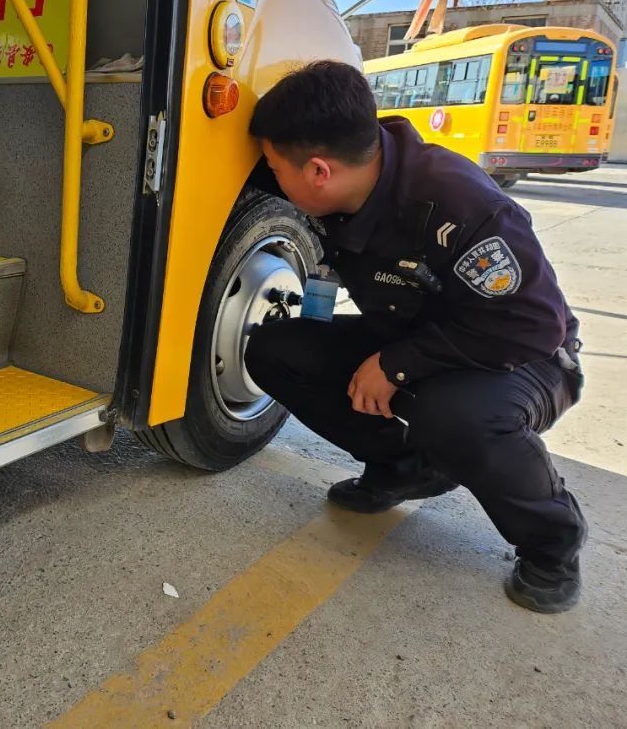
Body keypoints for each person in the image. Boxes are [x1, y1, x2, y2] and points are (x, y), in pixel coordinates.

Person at [244, 60, 587, 614]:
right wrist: (340, 334)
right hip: (412, 339)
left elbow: (532, 325)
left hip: (524, 359)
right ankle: (407, 470)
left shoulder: (460, 205)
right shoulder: (348, 184)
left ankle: (553, 542)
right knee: (278, 350)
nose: (270, 180)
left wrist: (398, 365)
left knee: (452, 416)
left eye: (273, 168)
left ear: (317, 171)